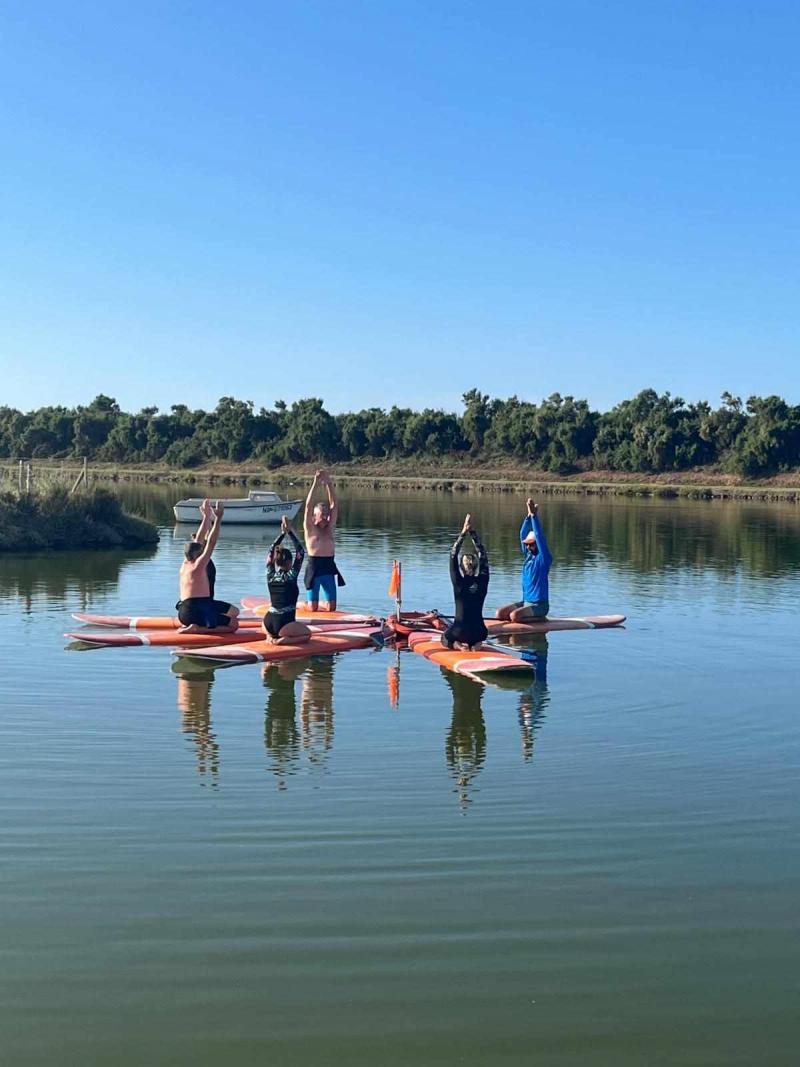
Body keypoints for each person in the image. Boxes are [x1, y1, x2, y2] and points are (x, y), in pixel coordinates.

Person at [176, 500, 240, 633]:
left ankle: (193, 624)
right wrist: (218, 518)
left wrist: (205, 517)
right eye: (201, 553)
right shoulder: (198, 566)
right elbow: (211, 542)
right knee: (234, 625)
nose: (203, 554)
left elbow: (198, 541)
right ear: (196, 555)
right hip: (197, 610)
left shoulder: (185, 564)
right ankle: (199, 629)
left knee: (234, 612)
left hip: (183, 612)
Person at [496, 498, 552, 622]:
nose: (528, 546)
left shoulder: (543, 559)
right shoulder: (528, 557)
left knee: (514, 616)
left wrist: (534, 517)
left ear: (537, 544)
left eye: (531, 544)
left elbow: (539, 536)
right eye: (527, 544)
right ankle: (505, 639)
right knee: (499, 613)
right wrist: (528, 517)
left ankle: (541, 619)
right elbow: (522, 533)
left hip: (540, 606)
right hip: (525, 602)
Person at [442, 513, 490, 651]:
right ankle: (477, 645)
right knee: (481, 634)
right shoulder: (483, 580)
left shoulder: (458, 582)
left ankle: (458, 646)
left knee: (444, 638)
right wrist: (473, 533)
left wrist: (463, 532)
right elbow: (483, 556)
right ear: (476, 567)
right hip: (480, 632)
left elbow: (452, 555)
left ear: (461, 568)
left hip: (459, 631)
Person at [263, 515, 311, 644]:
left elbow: (270, 551)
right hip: (284, 624)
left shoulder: (270, 574)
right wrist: (289, 531)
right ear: (289, 562)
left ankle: (270, 637)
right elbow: (300, 552)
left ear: (277, 562)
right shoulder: (291, 575)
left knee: (273, 628)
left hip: (267, 622)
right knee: (308, 634)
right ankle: (283, 641)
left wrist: (282, 534)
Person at [303, 469, 345, 612]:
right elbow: (308, 506)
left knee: (331, 608)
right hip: (314, 568)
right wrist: (315, 482)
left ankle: (322, 606)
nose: (327, 517)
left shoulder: (329, 529)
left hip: (328, 567)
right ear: (315, 516)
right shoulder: (310, 528)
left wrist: (328, 483)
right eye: (323, 514)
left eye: (327, 515)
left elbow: (334, 505)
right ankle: (302, 605)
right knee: (313, 608)